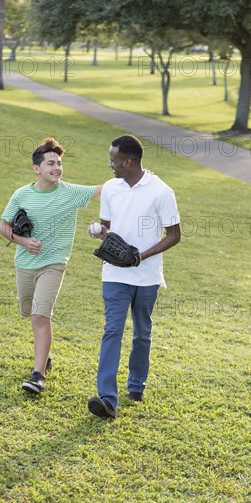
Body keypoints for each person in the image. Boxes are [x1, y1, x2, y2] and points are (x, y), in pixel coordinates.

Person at [88, 134, 181, 419]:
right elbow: (107, 226)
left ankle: (136, 385)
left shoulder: (161, 191)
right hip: (114, 273)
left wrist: (142, 255)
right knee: (112, 330)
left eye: (114, 160)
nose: (110, 165)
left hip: (147, 276)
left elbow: (174, 235)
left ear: (128, 162)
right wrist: (99, 231)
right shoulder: (111, 189)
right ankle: (107, 398)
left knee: (142, 332)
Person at [0, 137, 101, 394]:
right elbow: (4, 227)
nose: (57, 167)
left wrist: (137, 176)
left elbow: (105, 189)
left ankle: (38, 375)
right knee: (27, 311)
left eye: (59, 163)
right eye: (50, 163)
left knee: (40, 315)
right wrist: (23, 241)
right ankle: (44, 356)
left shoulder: (70, 192)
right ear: (37, 168)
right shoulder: (21, 194)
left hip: (54, 264)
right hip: (25, 263)